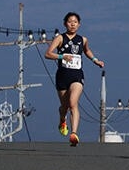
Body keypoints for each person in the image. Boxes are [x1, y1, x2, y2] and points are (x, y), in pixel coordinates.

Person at [44, 12, 104, 146]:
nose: (73, 24)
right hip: (62, 76)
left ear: (79, 24)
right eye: (70, 22)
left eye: (75, 22)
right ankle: (62, 120)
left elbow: (87, 51)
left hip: (77, 76)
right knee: (64, 107)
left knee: (73, 103)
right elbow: (48, 54)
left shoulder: (83, 39)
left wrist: (95, 60)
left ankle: (74, 133)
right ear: (65, 24)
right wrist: (62, 57)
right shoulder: (60, 38)